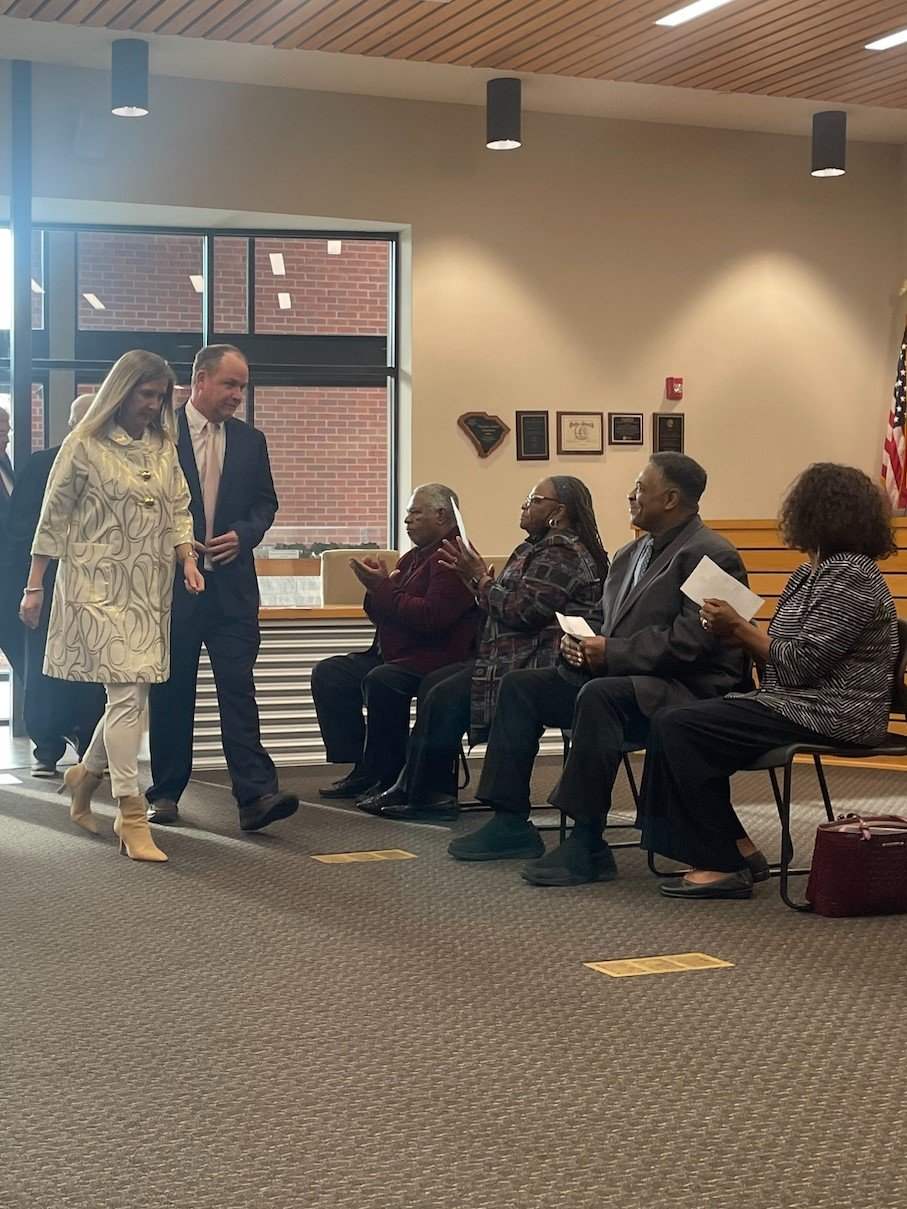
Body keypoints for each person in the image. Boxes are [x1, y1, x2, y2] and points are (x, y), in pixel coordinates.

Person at [447, 452, 750, 886]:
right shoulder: (629, 554)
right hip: (624, 678)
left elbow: (697, 640)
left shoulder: (712, 554)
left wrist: (612, 652)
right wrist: (582, 644)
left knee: (599, 696)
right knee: (521, 687)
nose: (631, 495)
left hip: (684, 690)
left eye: (641, 488)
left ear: (670, 498)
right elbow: (608, 626)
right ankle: (510, 819)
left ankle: (588, 840)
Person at [637, 462, 899, 901]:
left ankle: (723, 863)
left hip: (837, 712)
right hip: (796, 701)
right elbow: (785, 659)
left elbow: (800, 663)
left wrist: (738, 628)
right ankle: (737, 846)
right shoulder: (810, 573)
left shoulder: (849, 575)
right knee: (677, 719)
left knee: (681, 726)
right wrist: (738, 632)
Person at [21, 350, 204, 863]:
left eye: (161, 396)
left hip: (148, 587)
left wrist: (186, 559)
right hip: (94, 584)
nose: (154, 405)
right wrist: (34, 586)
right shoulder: (83, 445)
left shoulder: (164, 446)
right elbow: (52, 518)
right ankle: (131, 815)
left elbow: (179, 507)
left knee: (131, 695)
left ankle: (85, 775)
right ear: (121, 390)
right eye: (147, 394)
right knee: (127, 693)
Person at [358, 476, 610, 822]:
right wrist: (480, 587)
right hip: (507, 654)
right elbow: (504, 604)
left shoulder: (562, 551)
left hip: (537, 661)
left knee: (444, 693)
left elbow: (525, 611)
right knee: (436, 684)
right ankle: (421, 787)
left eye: (534, 499)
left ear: (559, 512)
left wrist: (480, 580)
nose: (524, 505)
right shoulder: (536, 547)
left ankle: (427, 791)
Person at [145, 344, 299, 833]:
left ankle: (256, 796)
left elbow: (265, 503)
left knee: (238, 690)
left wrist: (246, 534)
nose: (238, 395)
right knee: (172, 693)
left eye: (243, 387)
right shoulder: (158, 434)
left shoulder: (251, 441)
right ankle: (166, 793)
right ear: (200, 380)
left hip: (233, 590)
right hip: (172, 588)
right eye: (230, 384)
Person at [312, 483, 478, 801]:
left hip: (434, 658)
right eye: (407, 514)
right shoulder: (414, 557)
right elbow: (387, 614)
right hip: (395, 653)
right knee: (329, 674)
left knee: (382, 681)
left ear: (442, 515)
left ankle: (390, 774)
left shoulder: (455, 557)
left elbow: (432, 618)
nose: (407, 521)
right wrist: (376, 588)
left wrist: (385, 588)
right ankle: (364, 765)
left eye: (415, 513)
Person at [6, 395, 105, 776]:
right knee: (45, 668)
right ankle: (45, 748)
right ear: (74, 423)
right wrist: (29, 586)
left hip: (95, 585)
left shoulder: (110, 466)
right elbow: (23, 529)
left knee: (92, 669)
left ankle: (87, 746)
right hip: (48, 584)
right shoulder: (43, 464)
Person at [0, 405, 24, 682]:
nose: (6, 439)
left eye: (7, 432)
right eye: (1, 433)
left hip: (11, 588)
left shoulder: (6, 463)